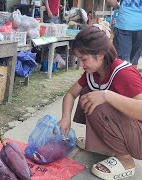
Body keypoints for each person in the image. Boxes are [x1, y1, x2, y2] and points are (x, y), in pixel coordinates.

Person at [58, 25, 142, 179]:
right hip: (130, 130)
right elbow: (70, 94)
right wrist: (65, 118)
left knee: (99, 102)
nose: (81, 65)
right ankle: (102, 143)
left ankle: (125, 161)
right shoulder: (93, 73)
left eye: (84, 59)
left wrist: (107, 96)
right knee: (87, 93)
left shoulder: (124, 73)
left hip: (139, 138)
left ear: (101, 54)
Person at [107, 0, 142, 68]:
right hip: (140, 26)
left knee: (122, 62)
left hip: (124, 24)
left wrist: (119, 6)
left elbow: (110, 1)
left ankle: (122, 78)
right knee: (134, 60)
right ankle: (132, 78)